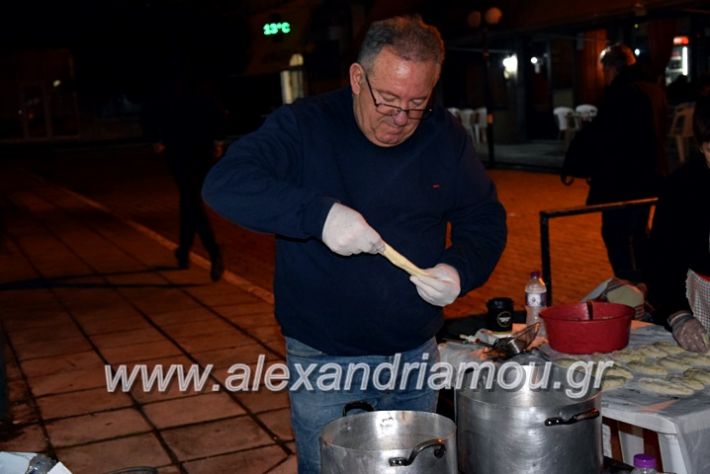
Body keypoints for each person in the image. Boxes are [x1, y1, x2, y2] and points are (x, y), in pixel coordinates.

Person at [202, 15, 506, 473]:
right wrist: (318, 215)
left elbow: (483, 219)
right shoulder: (305, 126)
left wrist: (459, 269)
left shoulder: (444, 136)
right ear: (357, 78)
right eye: (387, 100)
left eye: (416, 103)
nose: (401, 118)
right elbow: (226, 183)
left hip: (415, 355)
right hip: (327, 359)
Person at [564, 43, 663, 283]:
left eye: (605, 69)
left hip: (623, 180)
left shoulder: (623, 92)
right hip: (649, 175)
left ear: (612, 68)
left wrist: (575, 161)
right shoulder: (652, 89)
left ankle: (630, 286)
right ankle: (647, 282)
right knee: (638, 232)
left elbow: (606, 136)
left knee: (617, 233)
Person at [647, 95, 710, 352]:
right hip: (702, 303)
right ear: (699, 146)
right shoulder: (683, 187)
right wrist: (678, 314)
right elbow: (662, 258)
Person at [145, 77, 224, 281]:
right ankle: (184, 250)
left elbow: (152, 109)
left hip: (179, 147)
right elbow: (215, 110)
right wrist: (217, 140)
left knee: (190, 199)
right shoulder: (199, 82)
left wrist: (156, 139)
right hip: (200, 147)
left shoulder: (169, 83)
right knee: (189, 199)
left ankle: (213, 251)